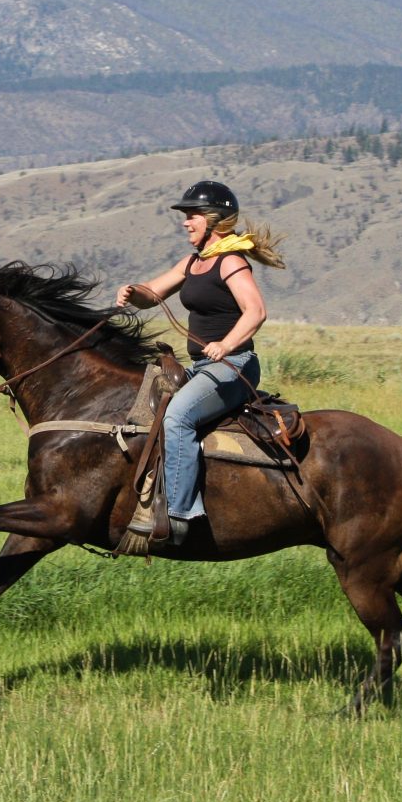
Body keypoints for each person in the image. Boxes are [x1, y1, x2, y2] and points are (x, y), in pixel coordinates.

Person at [115, 181, 287, 544]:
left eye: (192, 215)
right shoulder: (193, 263)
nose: (186, 222)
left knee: (178, 416)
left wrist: (225, 345)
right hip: (203, 366)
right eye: (186, 216)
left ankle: (180, 515)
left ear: (214, 221)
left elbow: (256, 311)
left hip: (234, 365)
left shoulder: (231, 262)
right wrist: (133, 292)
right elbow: (153, 294)